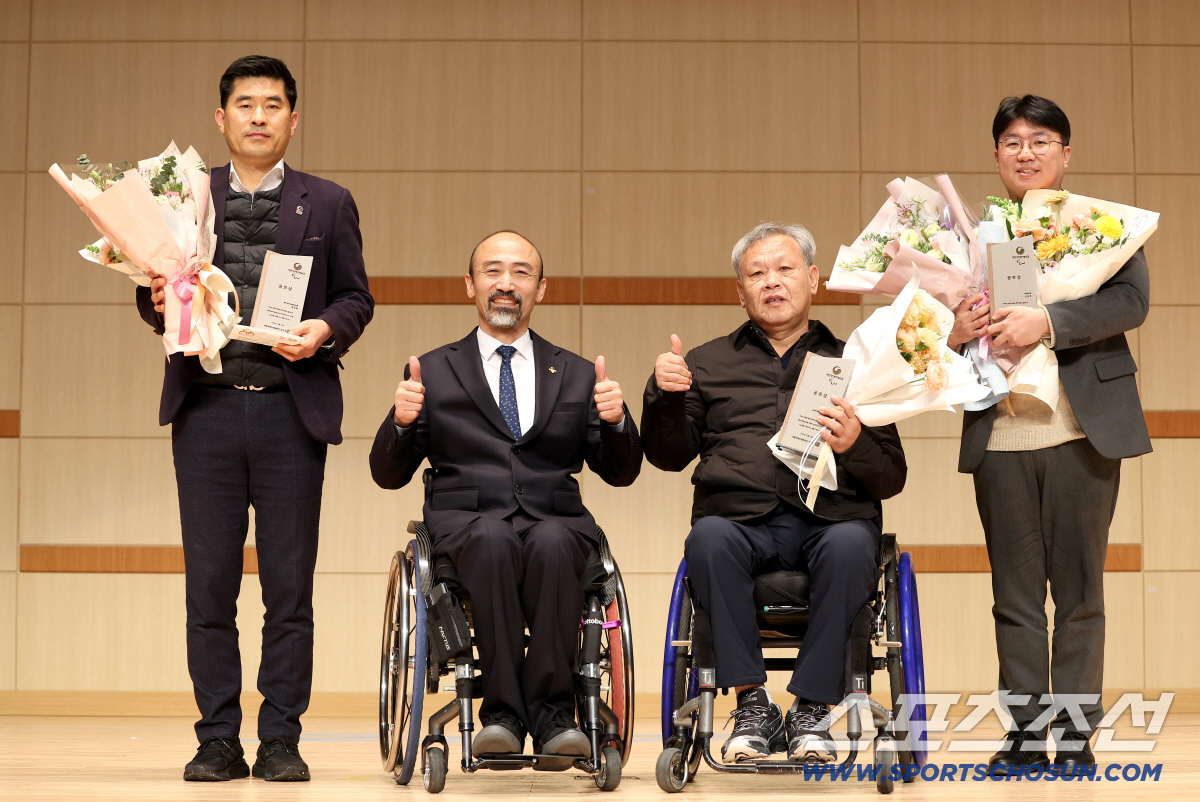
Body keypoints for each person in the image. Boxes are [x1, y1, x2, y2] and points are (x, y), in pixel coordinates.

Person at [136, 55, 374, 782]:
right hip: (204, 411)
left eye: (274, 105)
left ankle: (280, 738)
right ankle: (216, 738)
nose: (260, 117)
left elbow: (355, 299)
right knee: (208, 586)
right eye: (246, 105)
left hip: (287, 416)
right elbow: (154, 295)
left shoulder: (328, 203)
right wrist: (154, 302)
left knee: (287, 589)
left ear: (292, 120)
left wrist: (324, 332)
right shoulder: (185, 197)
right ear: (221, 118)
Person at [369, 230, 642, 757]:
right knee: (492, 539)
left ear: (543, 289)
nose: (506, 284)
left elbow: (622, 471)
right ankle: (501, 715)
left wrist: (615, 421)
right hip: (466, 523)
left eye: (521, 273)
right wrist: (401, 422)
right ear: (469, 285)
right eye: (492, 271)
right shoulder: (434, 370)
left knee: (554, 542)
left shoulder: (579, 373)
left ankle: (555, 716)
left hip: (554, 520)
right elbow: (387, 473)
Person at [641, 223, 906, 764]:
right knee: (708, 539)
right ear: (740, 292)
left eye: (785, 270)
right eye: (756, 274)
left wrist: (854, 443)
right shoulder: (707, 362)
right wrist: (664, 397)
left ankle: (812, 706)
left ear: (813, 279)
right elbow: (668, 455)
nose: (772, 282)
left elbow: (891, 477)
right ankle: (752, 702)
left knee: (855, 546)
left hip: (832, 522)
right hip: (738, 522)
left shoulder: (857, 362)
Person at [947, 95, 1151, 776]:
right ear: (996, 156)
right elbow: (938, 339)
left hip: (1080, 433)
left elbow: (1130, 302)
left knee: (1081, 593)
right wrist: (956, 329)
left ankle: (1075, 736)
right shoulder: (969, 236)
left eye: (1040, 140)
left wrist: (1049, 324)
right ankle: (1026, 736)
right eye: (1011, 141)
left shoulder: (1098, 226)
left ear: (1066, 153)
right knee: (1014, 596)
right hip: (1001, 437)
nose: (1025, 152)